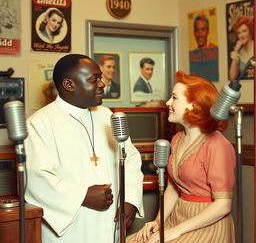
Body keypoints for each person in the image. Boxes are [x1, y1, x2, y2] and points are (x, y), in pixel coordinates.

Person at [24, 54, 144, 243]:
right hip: (71, 229)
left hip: (111, 222)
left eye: (101, 78)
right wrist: (83, 195)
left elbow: (130, 159)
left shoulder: (107, 116)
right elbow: (36, 178)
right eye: (94, 79)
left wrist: (130, 200)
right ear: (69, 85)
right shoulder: (39, 123)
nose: (102, 84)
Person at [127, 70, 236, 243]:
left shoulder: (218, 145)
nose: (168, 102)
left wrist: (176, 231)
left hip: (207, 225)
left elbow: (223, 205)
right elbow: (173, 188)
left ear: (193, 105)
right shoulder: (177, 139)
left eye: (174, 98)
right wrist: (158, 222)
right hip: (178, 218)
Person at [229, 16, 254, 80]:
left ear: (250, 32)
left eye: (244, 31)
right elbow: (232, 77)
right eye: (239, 33)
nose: (241, 35)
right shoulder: (239, 53)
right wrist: (236, 51)